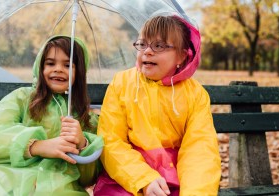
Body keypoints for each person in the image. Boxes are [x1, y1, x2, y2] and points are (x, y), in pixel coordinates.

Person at [94, 15, 221, 196]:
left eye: (159, 46)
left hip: (175, 179)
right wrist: (144, 180)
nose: (147, 51)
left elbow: (200, 150)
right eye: (142, 44)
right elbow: (111, 141)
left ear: (182, 56)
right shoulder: (122, 83)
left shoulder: (195, 94)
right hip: (127, 177)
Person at [0, 36, 103, 195]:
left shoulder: (84, 118)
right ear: (40, 66)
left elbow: (88, 179)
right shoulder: (21, 99)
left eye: (67, 65)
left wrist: (83, 145)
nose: (58, 69)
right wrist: (37, 146)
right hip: (5, 179)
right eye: (50, 63)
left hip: (58, 187)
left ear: (79, 72)